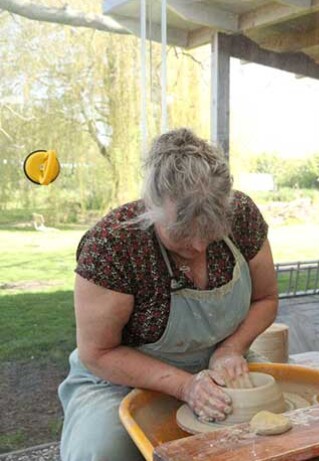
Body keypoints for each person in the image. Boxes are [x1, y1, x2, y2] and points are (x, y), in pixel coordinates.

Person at [58, 128, 278, 460]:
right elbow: (98, 352)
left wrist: (231, 349)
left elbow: (266, 299)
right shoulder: (113, 244)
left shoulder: (243, 215)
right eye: (183, 234)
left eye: (211, 234)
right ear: (152, 207)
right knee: (102, 450)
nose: (199, 246)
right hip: (120, 379)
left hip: (221, 364)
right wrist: (185, 386)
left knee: (281, 428)